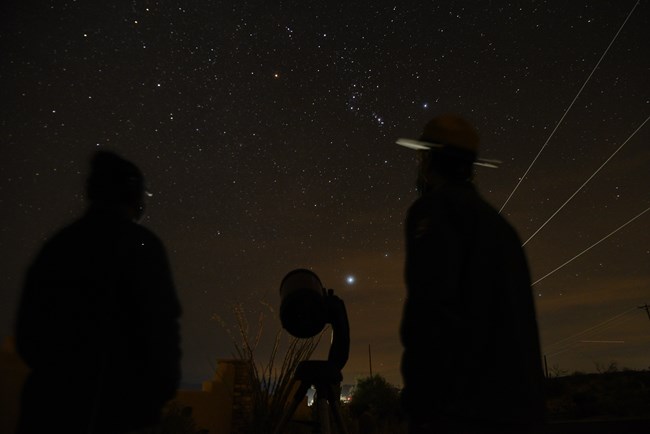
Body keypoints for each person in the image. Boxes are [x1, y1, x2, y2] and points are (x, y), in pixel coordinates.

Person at [397, 114, 546, 434]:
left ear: (428, 159)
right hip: (516, 408)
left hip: (461, 408)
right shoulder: (500, 226)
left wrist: (420, 401)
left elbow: (429, 308)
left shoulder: (432, 212)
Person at [14, 150, 182, 434]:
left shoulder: (59, 246)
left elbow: (28, 335)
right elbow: (162, 328)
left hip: (49, 408)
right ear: (133, 196)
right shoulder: (142, 246)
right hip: (121, 411)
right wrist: (154, 396)